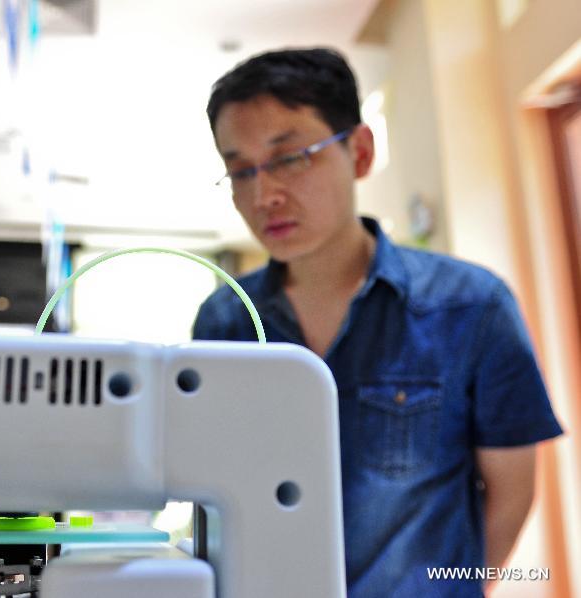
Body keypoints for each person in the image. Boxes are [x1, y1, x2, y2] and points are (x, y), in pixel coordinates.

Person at [193, 48, 563, 597]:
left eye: (290, 157)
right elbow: (216, 494)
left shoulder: (471, 305)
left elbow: (512, 493)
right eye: (240, 170)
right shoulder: (225, 322)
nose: (262, 194)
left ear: (360, 152)